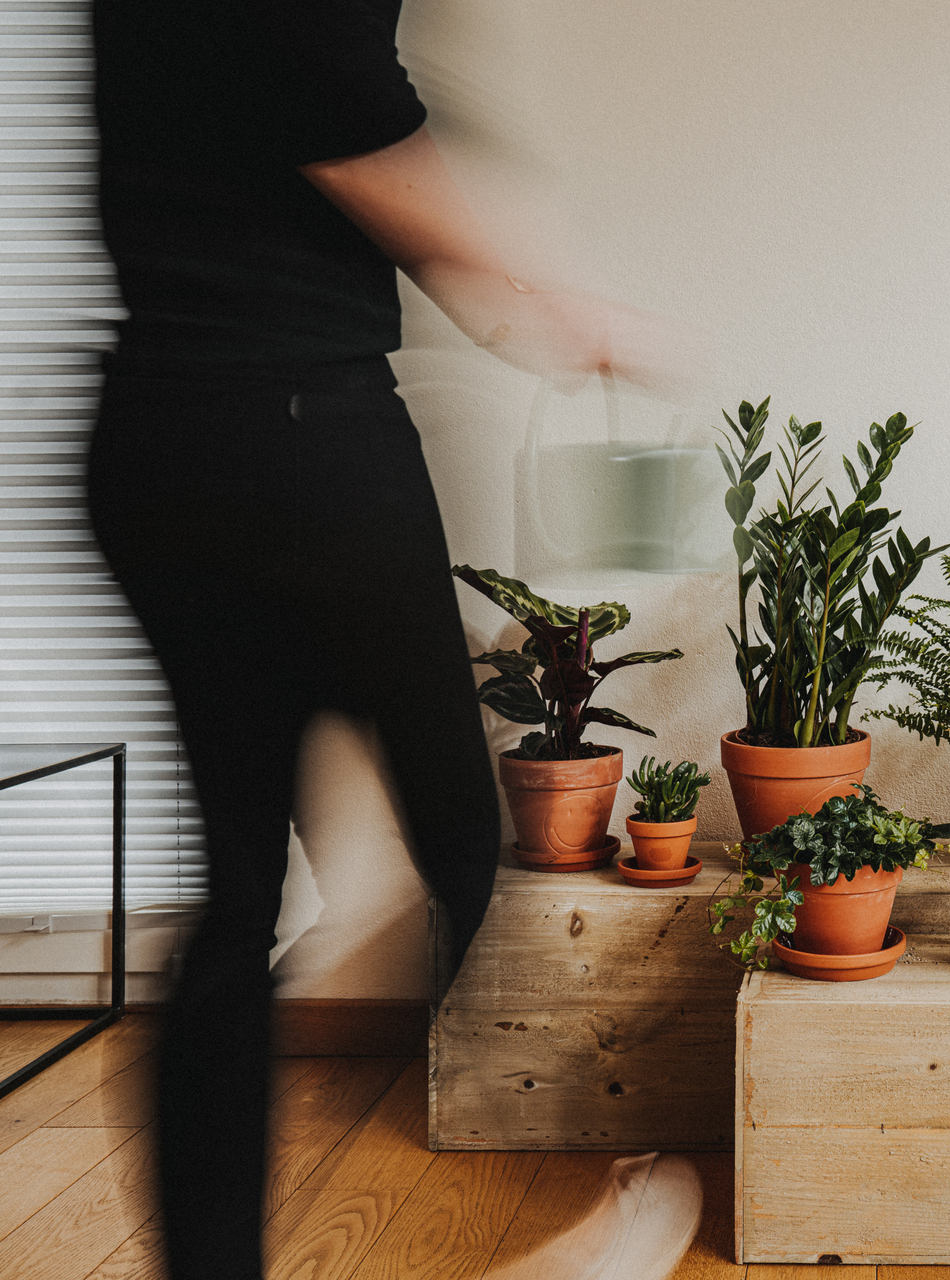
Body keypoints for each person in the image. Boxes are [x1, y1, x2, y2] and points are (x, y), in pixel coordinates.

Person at [87, 5, 693, 1276]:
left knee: (239, 891)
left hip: (152, 423)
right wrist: (557, 300)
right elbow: (349, 114)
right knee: (467, 843)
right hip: (302, 434)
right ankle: (573, 1236)